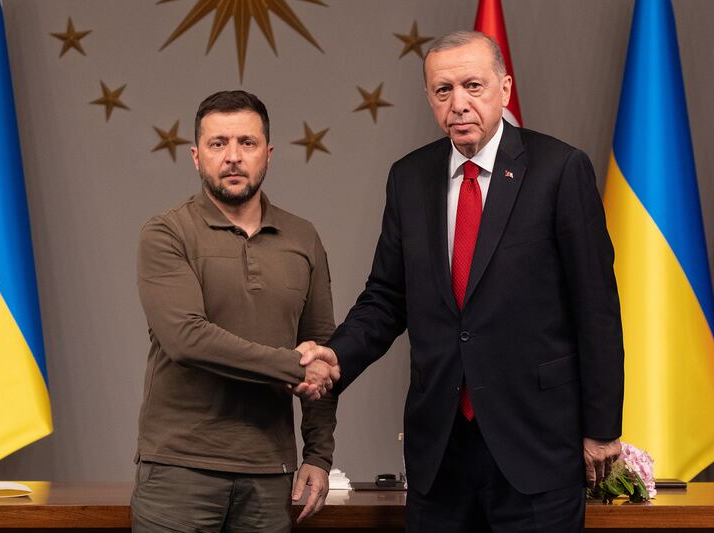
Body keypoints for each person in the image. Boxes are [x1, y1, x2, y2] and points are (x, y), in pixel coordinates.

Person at [299, 31, 624, 531]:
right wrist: (336, 356)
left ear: (505, 88)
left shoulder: (559, 170)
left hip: (537, 446)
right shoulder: (408, 178)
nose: (459, 103)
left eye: (473, 85)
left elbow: (596, 308)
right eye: (443, 90)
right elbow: (386, 298)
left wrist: (602, 428)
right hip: (441, 451)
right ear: (430, 98)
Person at [131, 90, 340, 532]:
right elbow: (187, 339)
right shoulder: (167, 232)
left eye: (246, 143)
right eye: (217, 143)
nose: (232, 157)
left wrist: (319, 455)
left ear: (268, 153)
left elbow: (323, 350)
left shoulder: (303, 237)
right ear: (195, 156)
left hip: (270, 475)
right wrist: (293, 365)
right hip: (179, 470)